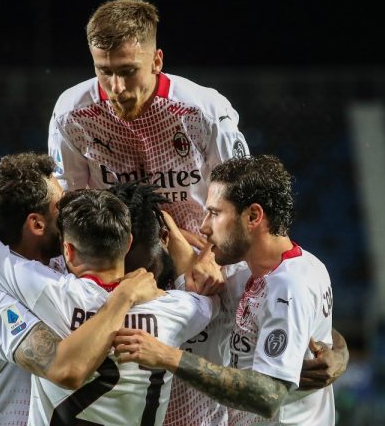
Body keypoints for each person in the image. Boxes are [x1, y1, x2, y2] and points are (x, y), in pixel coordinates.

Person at [0, 175, 217, 423]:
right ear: (127, 242)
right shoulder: (175, 309)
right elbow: (208, 296)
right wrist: (189, 245)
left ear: (68, 251)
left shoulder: (46, 292)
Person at [114, 155, 337, 425]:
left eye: (215, 213)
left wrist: (167, 356)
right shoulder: (272, 271)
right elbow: (309, 328)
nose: (204, 226)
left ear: (253, 216)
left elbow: (268, 396)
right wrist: (340, 351)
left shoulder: (288, 287)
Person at [47, 0, 249, 246]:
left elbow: (238, 200)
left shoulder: (205, 113)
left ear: (156, 61)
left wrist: (209, 255)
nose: (117, 87)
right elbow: (70, 203)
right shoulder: (72, 114)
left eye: (127, 71)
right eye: (104, 71)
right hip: (116, 253)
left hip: (203, 252)